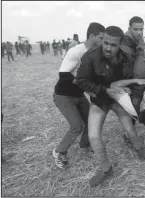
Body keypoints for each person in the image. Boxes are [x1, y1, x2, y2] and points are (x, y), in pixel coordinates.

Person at [76, 26, 145, 188]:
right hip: (99, 99)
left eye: (113, 45)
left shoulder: (126, 58)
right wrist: (103, 90)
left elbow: (128, 77)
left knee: (129, 129)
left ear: (121, 44)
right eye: (105, 42)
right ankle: (107, 169)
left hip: (117, 99)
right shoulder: (90, 57)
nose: (108, 47)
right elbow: (81, 80)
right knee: (93, 136)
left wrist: (128, 90)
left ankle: (139, 148)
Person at [52, 22, 105, 169]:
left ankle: (84, 145)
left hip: (79, 95)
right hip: (64, 95)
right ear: (92, 36)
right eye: (101, 38)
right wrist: (86, 86)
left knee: (91, 121)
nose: (103, 42)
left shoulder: (96, 53)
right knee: (76, 126)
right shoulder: (76, 51)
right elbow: (63, 74)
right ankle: (59, 151)